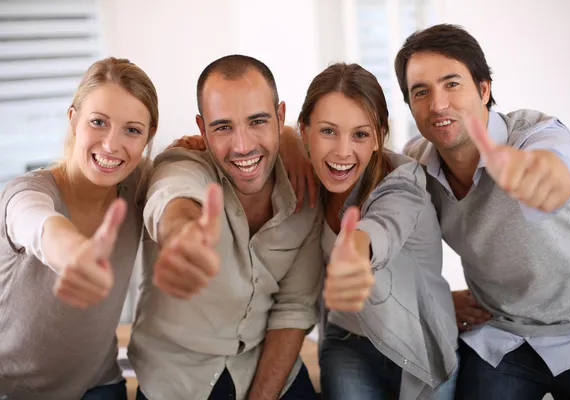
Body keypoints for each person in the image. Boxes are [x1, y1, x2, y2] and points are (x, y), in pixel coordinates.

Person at [397, 24, 570, 399]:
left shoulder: (536, 134)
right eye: (421, 92)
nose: (438, 104)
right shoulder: (413, 164)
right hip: (502, 335)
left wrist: (541, 179)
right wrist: (439, 301)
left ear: (484, 89)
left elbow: (555, 165)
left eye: (452, 83)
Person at [128, 55, 325, 400]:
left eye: (258, 121)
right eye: (223, 127)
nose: (243, 145)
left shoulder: (305, 190)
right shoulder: (182, 163)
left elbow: (293, 307)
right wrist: (183, 234)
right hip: (179, 380)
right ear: (202, 130)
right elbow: (172, 194)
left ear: (280, 117)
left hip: (267, 369)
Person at [294, 62, 459, 400]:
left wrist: (355, 252)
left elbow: (383, 226)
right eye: (328, 131)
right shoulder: (307, 180)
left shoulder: (403, 182)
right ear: (304, 131)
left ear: (378, 137)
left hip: (418, 348)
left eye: (360, 134)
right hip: (347, 342)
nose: (342, 151)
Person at [0, 57, 159, 400]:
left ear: (149, 136)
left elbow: (185, 166)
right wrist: (73, 252)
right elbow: (36, 222)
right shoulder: (27, 191)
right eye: (98, 122)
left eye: (132, 130)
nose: (111, 145)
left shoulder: (138, 184)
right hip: (13, 390)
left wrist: (289, 139)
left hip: (98, 383)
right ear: (73, 121)